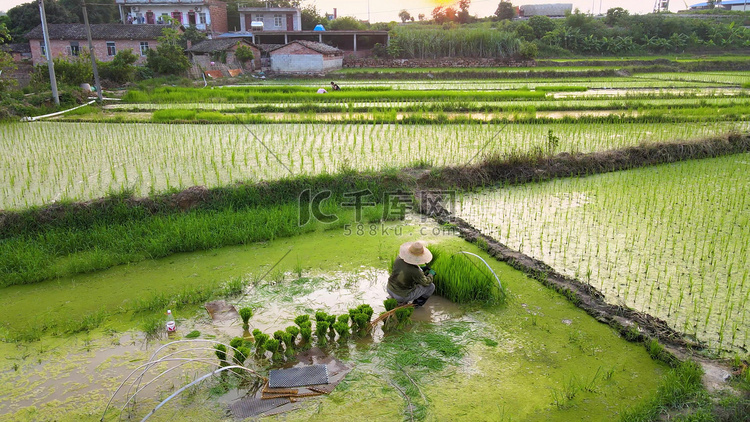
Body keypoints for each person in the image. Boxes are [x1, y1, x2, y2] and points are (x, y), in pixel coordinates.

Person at [387, 241, 436, 307]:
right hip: (401, 296)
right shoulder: (415, 271)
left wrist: (421, 268)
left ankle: (394, 299)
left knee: (411, 283)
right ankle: (416, 305)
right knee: (431, 287)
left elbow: (406, 270)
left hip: (389, 288)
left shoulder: (398, 258)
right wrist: (431, 274)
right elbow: (426, 282)